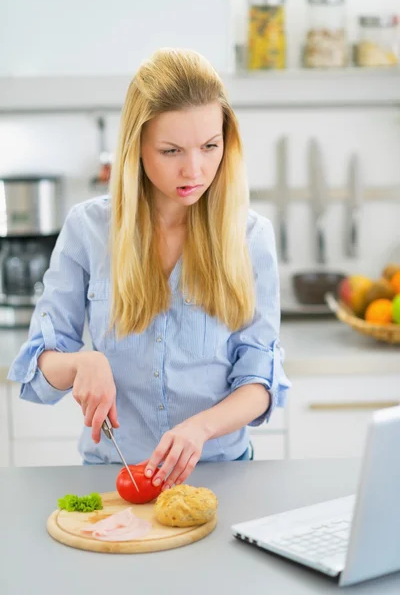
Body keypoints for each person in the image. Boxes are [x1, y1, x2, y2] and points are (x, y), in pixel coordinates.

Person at [8, 48, 291, 491]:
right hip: (112, 479)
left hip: (221, 475)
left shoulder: (251, 237)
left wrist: (201, 428)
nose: (194, 169)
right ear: (136, 147)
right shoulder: (89, 229)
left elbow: (260, 381)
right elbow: (35, 373)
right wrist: (81, 363)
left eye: (209, 147)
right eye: (171, 150)